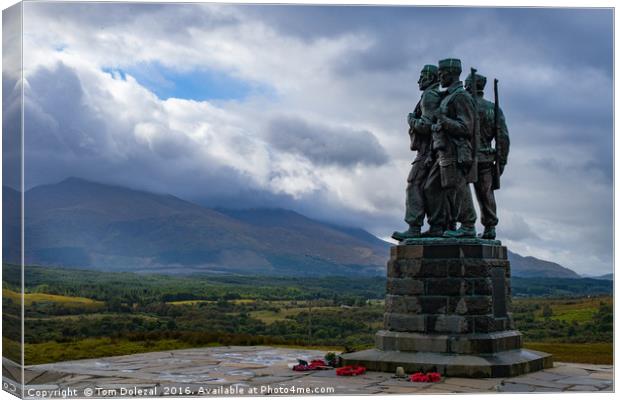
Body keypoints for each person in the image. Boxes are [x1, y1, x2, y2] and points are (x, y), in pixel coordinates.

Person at [423, 58, 477, 238]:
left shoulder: (461, 96)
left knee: (458, 187)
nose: (439, 77)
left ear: (451, 74)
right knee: (432, 187)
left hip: (456, 149)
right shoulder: (448, 96)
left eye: (441, 73)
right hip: (443, 149)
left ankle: (468, 225)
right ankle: (437, 226)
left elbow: (466, 128)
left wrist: (443, 119)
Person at [392, 65, 443, 241]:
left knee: (414, 184)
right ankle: (438, 225)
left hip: (428, 151)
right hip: (434, 151)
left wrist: (411, 120)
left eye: (422, 76)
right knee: (431, 188)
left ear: (431, 77)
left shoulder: (430, 96)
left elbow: (426, 126)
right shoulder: (435, 94)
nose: (419, 80)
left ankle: (414, 227)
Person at [464, 71, 510, 239]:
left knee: (460, 192)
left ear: (469, 86)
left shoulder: (465, 106)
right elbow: (503, 138)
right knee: (486, 193)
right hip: (486, 158)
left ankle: (463, 224)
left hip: (464, 156)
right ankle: (490, 227)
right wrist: (501, 161)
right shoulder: (493, 108)